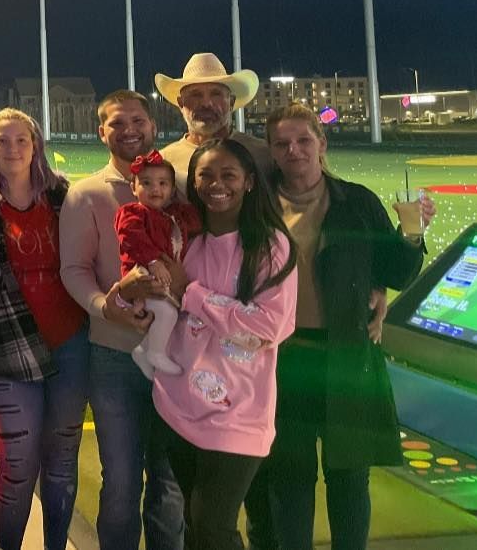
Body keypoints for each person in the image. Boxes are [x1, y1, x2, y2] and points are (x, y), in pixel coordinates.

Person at [258, 104, 432, 550]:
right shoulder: (256, 206)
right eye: (282, 143)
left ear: (322, 144)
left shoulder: (357, 202)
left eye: (303, 140)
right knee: (289, 480)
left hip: (348, 355)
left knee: (350, 479)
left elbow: (394, 270)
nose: (293, 150)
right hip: (283, 361)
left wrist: (411, 234)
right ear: (272, 152)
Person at [0, 109, 89, 550]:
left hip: (70, 344)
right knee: (17, 467)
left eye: (21, 140)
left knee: (62, 461)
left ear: (36, 146)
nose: (12, 149)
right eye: (1, 140)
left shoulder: (63, 195)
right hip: (7, 351)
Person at [148, 139, 298, 550]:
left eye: (228, 175)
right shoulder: (187, 241)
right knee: (195, 528)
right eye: (206, 175)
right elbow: (166, 306)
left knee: (213, 527)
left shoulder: (270, 245)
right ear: (193, 183)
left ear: (249, 182)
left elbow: (268, 327)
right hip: (178, 404)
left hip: (238, 414)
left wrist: (192, 293)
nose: (217, 184)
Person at [60, 90, 184, 550]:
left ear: (153, 126)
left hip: (174, 357)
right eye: (117, 122)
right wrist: (104, 306)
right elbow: (73, 269)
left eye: (137, 120)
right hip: (113, 357)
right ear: (102, 132)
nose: (129, 129)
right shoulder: (88, 193)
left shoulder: (173, 191)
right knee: (122, 486)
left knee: (170, 486)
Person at [114, 151, 202, 379]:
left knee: (168, 314)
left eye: (163, 184)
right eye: (146, 183)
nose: (155, 189)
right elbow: (131, 238)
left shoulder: (172, 215)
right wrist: (153, 262)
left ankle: (144, 350)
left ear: (173, 190)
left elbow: (195, 223)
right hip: (142, 274)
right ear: (133, 188)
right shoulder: (133, 213)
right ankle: (156, 353)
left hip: (164, 276)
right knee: (166, 312)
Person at [155, 53, 273, 189]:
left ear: (231, 102)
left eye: (216, 94)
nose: (206, 103)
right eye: (196, 94)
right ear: (181, 103)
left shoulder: (263, 155)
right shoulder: (163, 161)